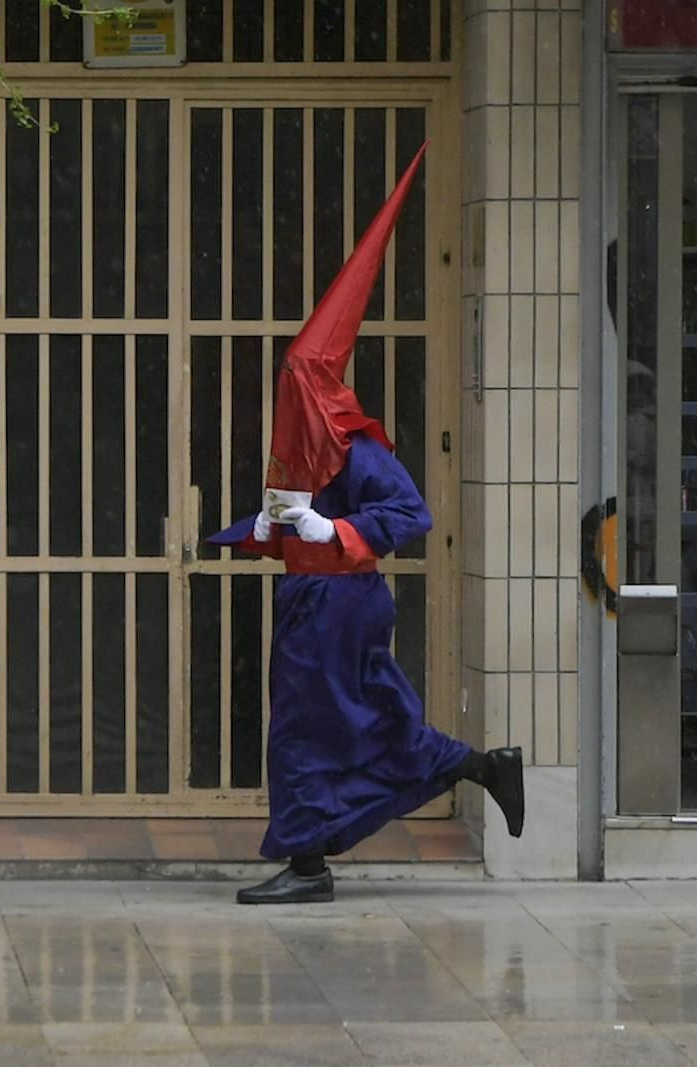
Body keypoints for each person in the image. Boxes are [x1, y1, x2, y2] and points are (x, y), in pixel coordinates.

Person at [208, 145, 525, 905]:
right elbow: (298, 518)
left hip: (339, 601)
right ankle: (482, 767)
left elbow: (409, 512)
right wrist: (264, 531)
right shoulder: (305, 447)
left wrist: (330, 533)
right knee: (368, 721)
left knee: (304, 730)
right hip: (319, 600)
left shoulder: (357, 445)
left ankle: (309, 865)